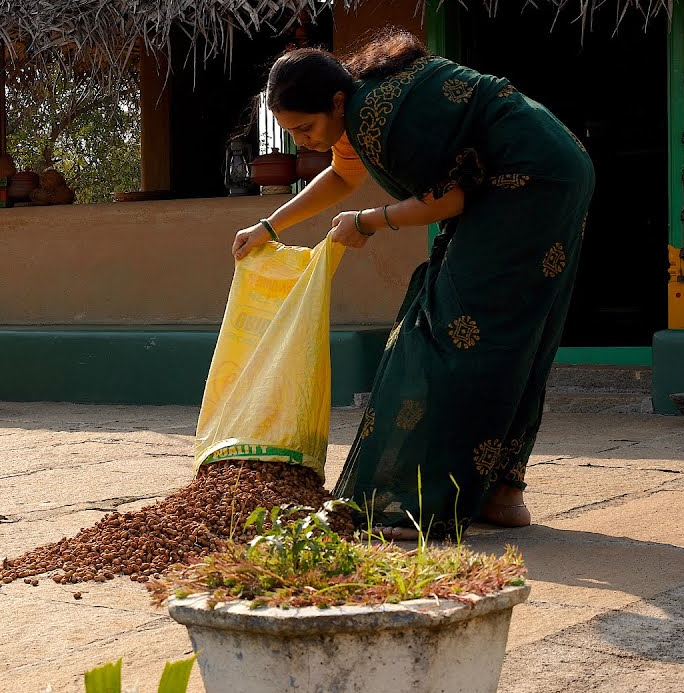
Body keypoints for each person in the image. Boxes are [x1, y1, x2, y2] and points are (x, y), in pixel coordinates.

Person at [232, 28, 595, 538]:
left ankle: (422, 501)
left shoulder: (378, 116)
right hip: (555, 166)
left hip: (529, 182)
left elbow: (448, 201)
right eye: (292, 134)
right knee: (508, 332)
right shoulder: (357, 107)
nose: (302, 142)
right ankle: (501, 496)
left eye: (307, 127)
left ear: (336, 102)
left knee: (454, 335)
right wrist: (269, 226)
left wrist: (367, 222)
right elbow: (340, 177)